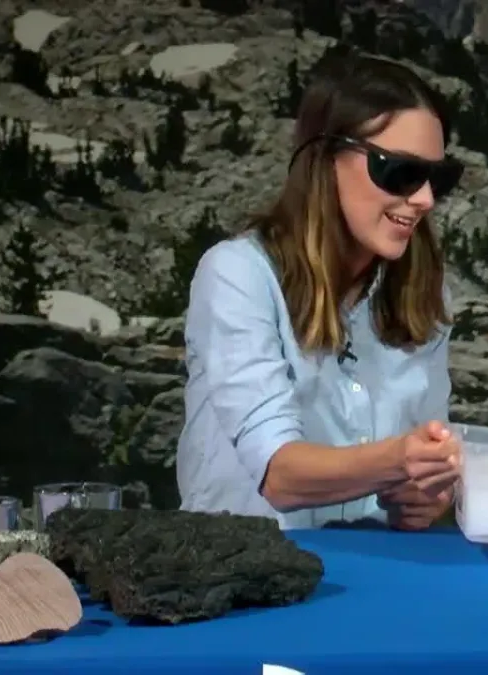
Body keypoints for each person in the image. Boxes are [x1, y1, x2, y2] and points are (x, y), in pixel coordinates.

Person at [177, 50, 465, 531]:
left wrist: (430, 492)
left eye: (439, 177)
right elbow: (280, 474)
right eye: (399, 172)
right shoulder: (237, 275)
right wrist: (399, 461)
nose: (424, 199)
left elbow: (426, 458)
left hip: (373, 579)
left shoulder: (426, 297)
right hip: (237, 581)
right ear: (326, 158)